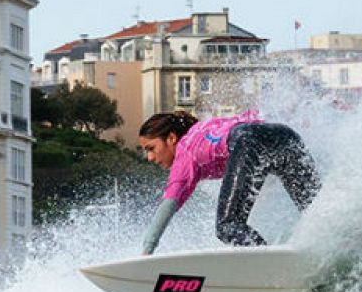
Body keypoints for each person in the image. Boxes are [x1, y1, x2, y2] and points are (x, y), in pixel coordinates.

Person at [137, 109, 322, 255]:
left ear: (171, 138)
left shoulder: (185, 152)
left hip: (249, 142)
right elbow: (260, 117)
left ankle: (272, 267)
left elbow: (167, 206)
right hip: (285, 135)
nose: (150, 157)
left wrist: (146, 251)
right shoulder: (207, 127)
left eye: (151, 148)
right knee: (318, 212)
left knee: (227, 226)